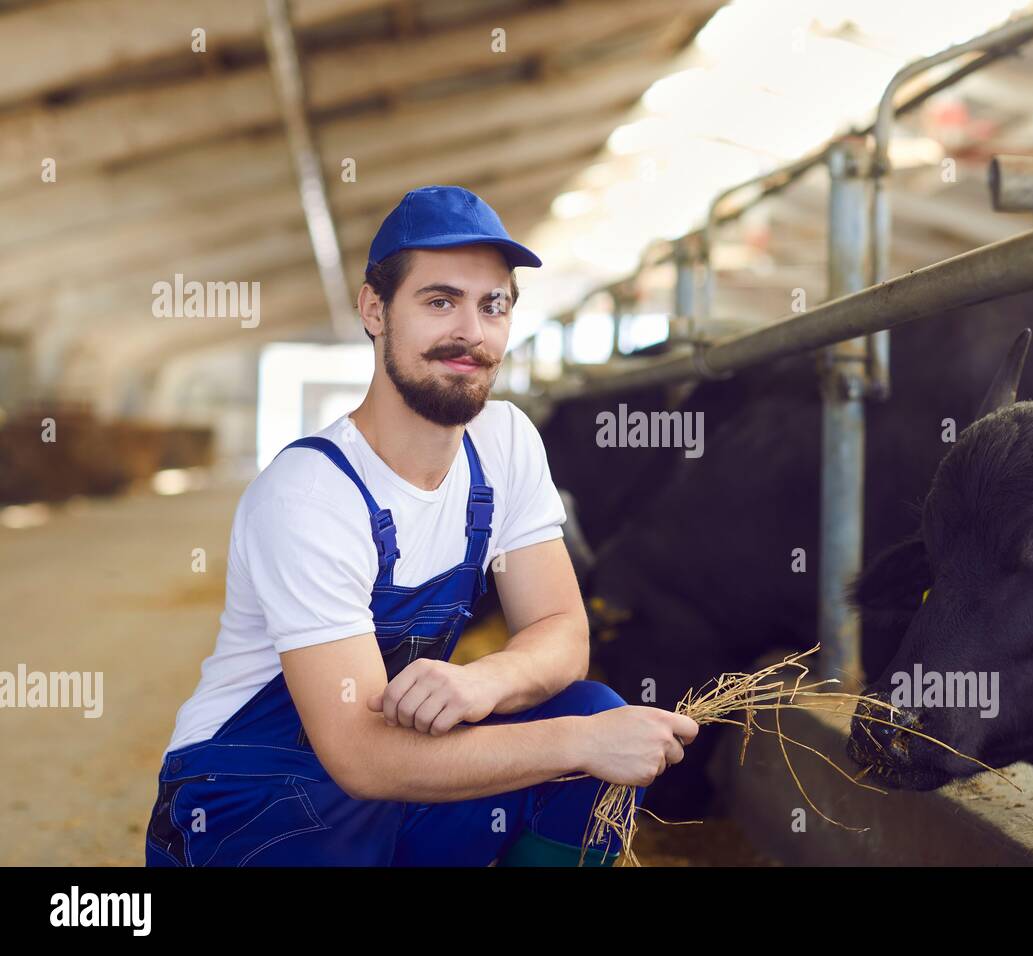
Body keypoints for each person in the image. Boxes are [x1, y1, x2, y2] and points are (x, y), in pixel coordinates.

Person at [145, 185, 699, 867]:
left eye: (492, 305)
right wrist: (578, 744)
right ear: (375, 311)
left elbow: (562, 630)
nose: (470, 331)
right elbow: (360, 756)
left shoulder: (505, 442)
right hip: (256, 802)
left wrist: (484, 681)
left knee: (589, 705)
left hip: (394, 782)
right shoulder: (311, 492)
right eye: (440, 302)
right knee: (585, 735)